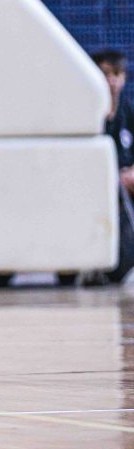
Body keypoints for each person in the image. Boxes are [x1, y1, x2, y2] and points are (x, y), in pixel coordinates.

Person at [91, 48, 134, 284]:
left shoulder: (129, 111)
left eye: (117, 74)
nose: (111, 81)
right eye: (105, 73)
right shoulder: (86, 114)